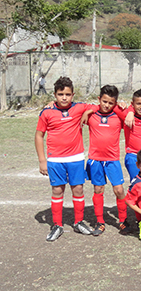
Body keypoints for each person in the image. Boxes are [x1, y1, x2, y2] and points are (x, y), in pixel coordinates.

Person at [35, 76, 93, 241]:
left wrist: (88, 111)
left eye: (67, 94)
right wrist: (42, 160)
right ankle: (57, 225)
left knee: (78, 189)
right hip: (55, 160)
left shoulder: (80, 107)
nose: (64, 97)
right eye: (61, 94)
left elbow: (100, 107)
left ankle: (79, 222)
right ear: (55, 95)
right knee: (57, 190)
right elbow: (39, 136)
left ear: (73, 94)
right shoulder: (47, 112)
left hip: (75, 158)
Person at [82, 85, 130, 236]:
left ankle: (123, 220)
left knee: (119, 190)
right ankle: (100, 221)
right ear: (99, 99)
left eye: (111, 103)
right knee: (98, 189)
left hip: (112, 160)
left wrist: (122, 107)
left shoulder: (118, 116)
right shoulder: (91, 115)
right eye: (104, 101)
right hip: (95, 160)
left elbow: (130, 113)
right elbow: (75, 108)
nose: (107, 105)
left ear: (115, 103)